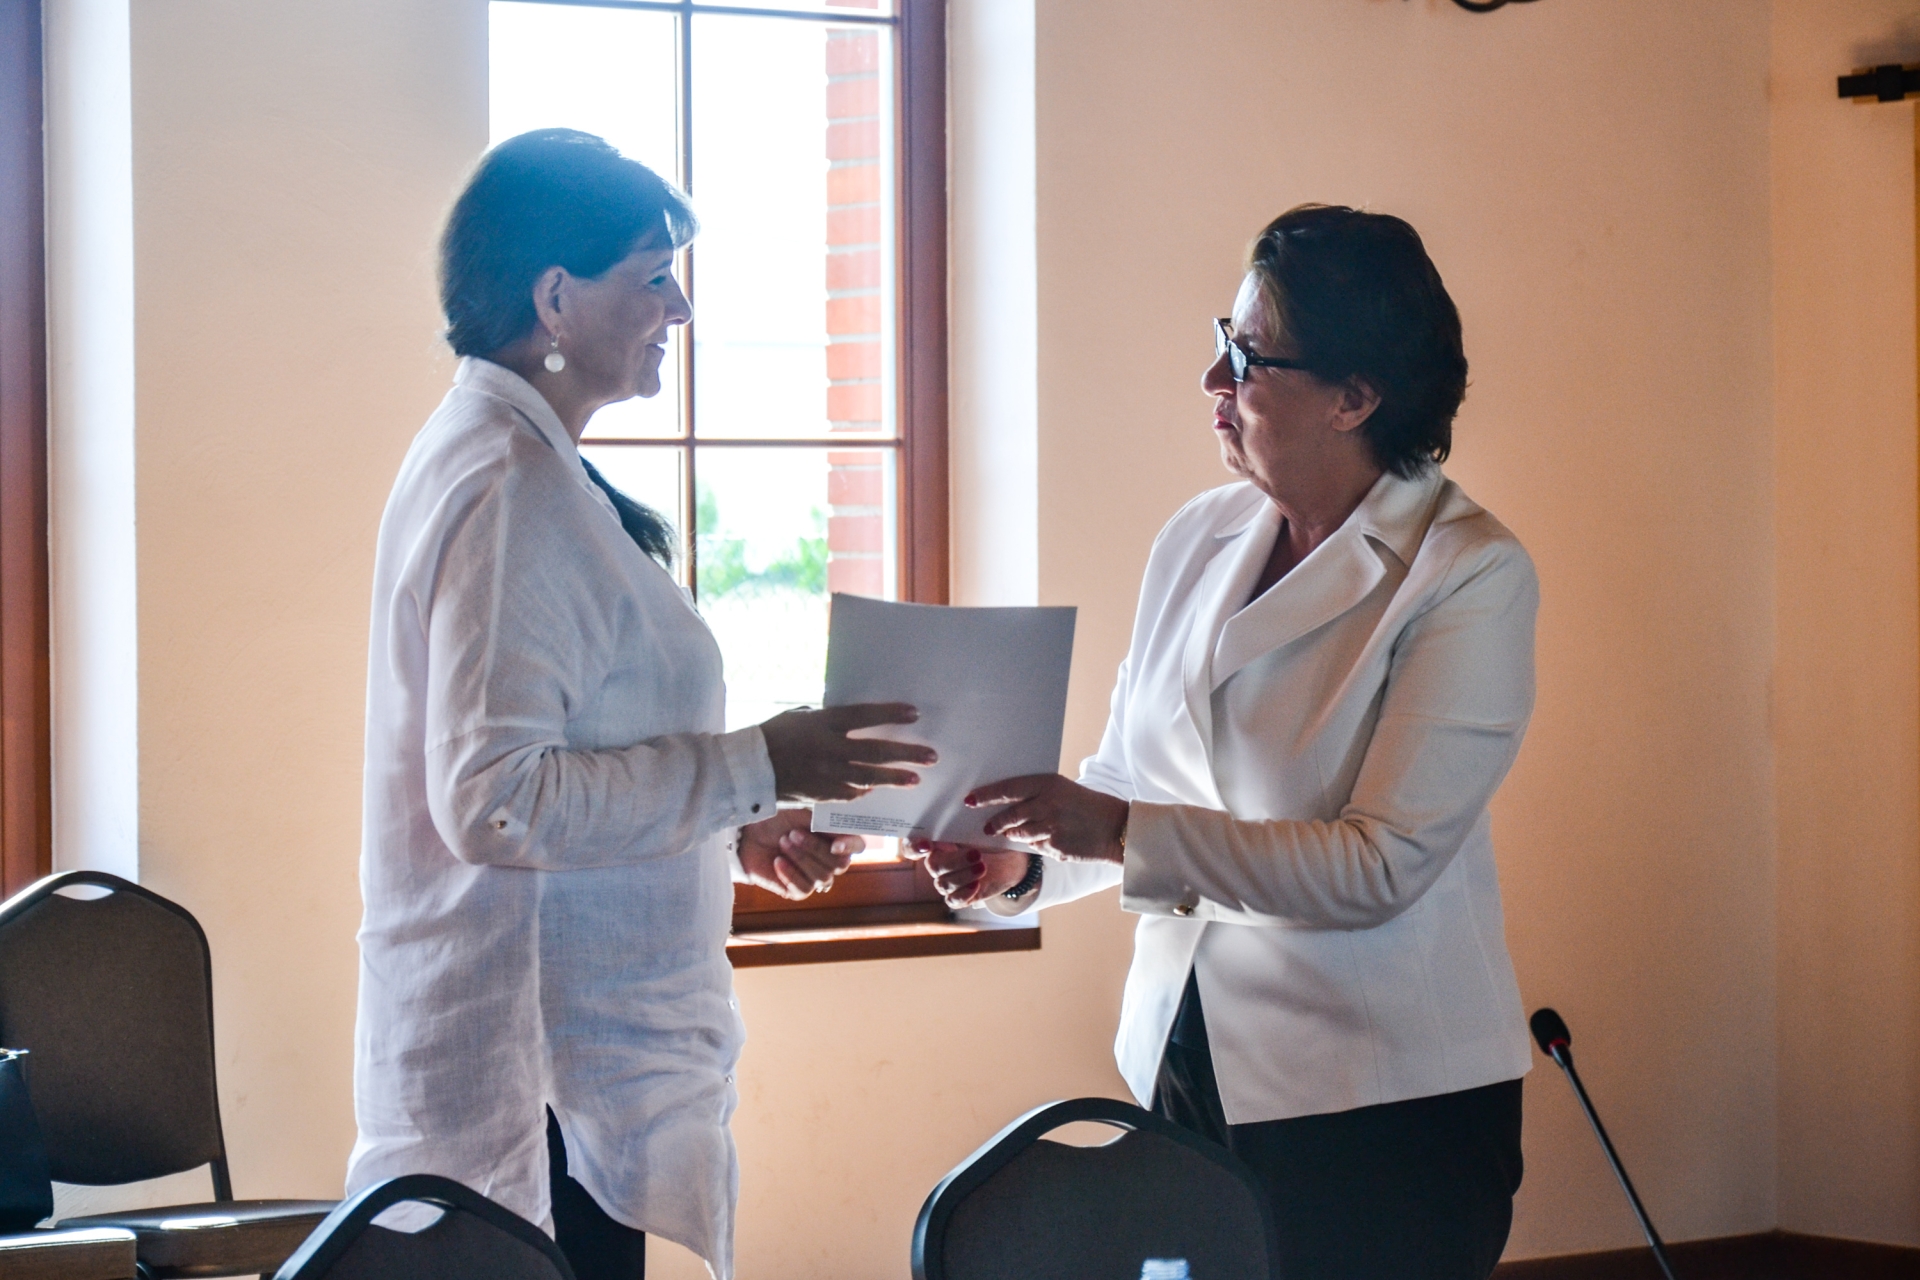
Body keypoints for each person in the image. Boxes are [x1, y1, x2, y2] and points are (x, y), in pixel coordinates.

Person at [347, 129, 934, 1280]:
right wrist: (757, 765)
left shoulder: (525, 463)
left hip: (563, 1062)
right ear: (554, 299)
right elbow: (498, 801)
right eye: (654, 276)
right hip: (541, 1080)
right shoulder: (509, 483)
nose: (682, 307)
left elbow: (577, 749)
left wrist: (734, 821)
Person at [912, 205, 1537, 1280]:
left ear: (1355, 397)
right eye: (1222, 338)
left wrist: (1114, 829)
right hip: (1186, 1065)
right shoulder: (1197, 535)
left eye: (1248, 357)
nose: (1212, 377)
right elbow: (1128, 783)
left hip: (1382, 1103)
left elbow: (1379, 865)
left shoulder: (1470, 573)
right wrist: (1021, 864)